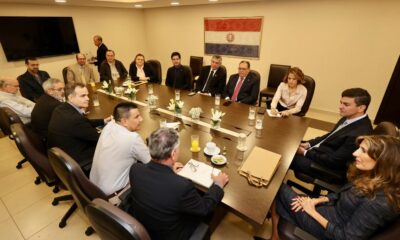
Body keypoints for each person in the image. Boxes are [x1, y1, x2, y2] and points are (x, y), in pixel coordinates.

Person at [270, 135, 400, 240]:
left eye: (363, 151)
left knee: (275, 184)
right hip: (328, 210)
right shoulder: (371, 176)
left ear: (383, 162)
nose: (355, 153)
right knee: (279, 196)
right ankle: (275, 236)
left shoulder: (379, 203)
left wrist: (312, 212)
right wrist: (317, 200)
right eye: (359, 148)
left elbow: (345, 237)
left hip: (328, 228)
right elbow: (340, 194)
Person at [127, 128, 229, 240]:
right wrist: (218, 184)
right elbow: (204, 208)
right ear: (173, 154)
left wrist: (170, 171)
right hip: (170, 235)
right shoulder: (182, 186)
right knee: (208, 210)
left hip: (145, 225)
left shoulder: (135, 169)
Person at [291, 88, 373, 179]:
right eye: (341, 102)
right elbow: (330, 135)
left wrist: (305, 152)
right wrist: (308, 144)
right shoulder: (349, 116)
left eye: (346, 104)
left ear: (361, 108)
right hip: (322, 152)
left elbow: (334, 162)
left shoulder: (358, 134)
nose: (340, 107)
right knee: (290, 142)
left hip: (328, 167)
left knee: (287, 156)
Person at [47, 83, 111, 173]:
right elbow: (99, 139)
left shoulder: (61, 108)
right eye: (83, 96)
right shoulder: (75, 119)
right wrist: (115, 128)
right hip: (79, 159)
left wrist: (103, 121)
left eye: (87, 95)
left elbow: (84, 122)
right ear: (70, 97)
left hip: (63, 155)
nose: (88, 98)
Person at [90, 102, 151, 195]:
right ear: (124, 121)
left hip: (93, 188)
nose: (141, 119)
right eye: (137, 117)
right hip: (114, 196)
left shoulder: (109, 126)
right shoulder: (132, 138)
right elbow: (151, 163)